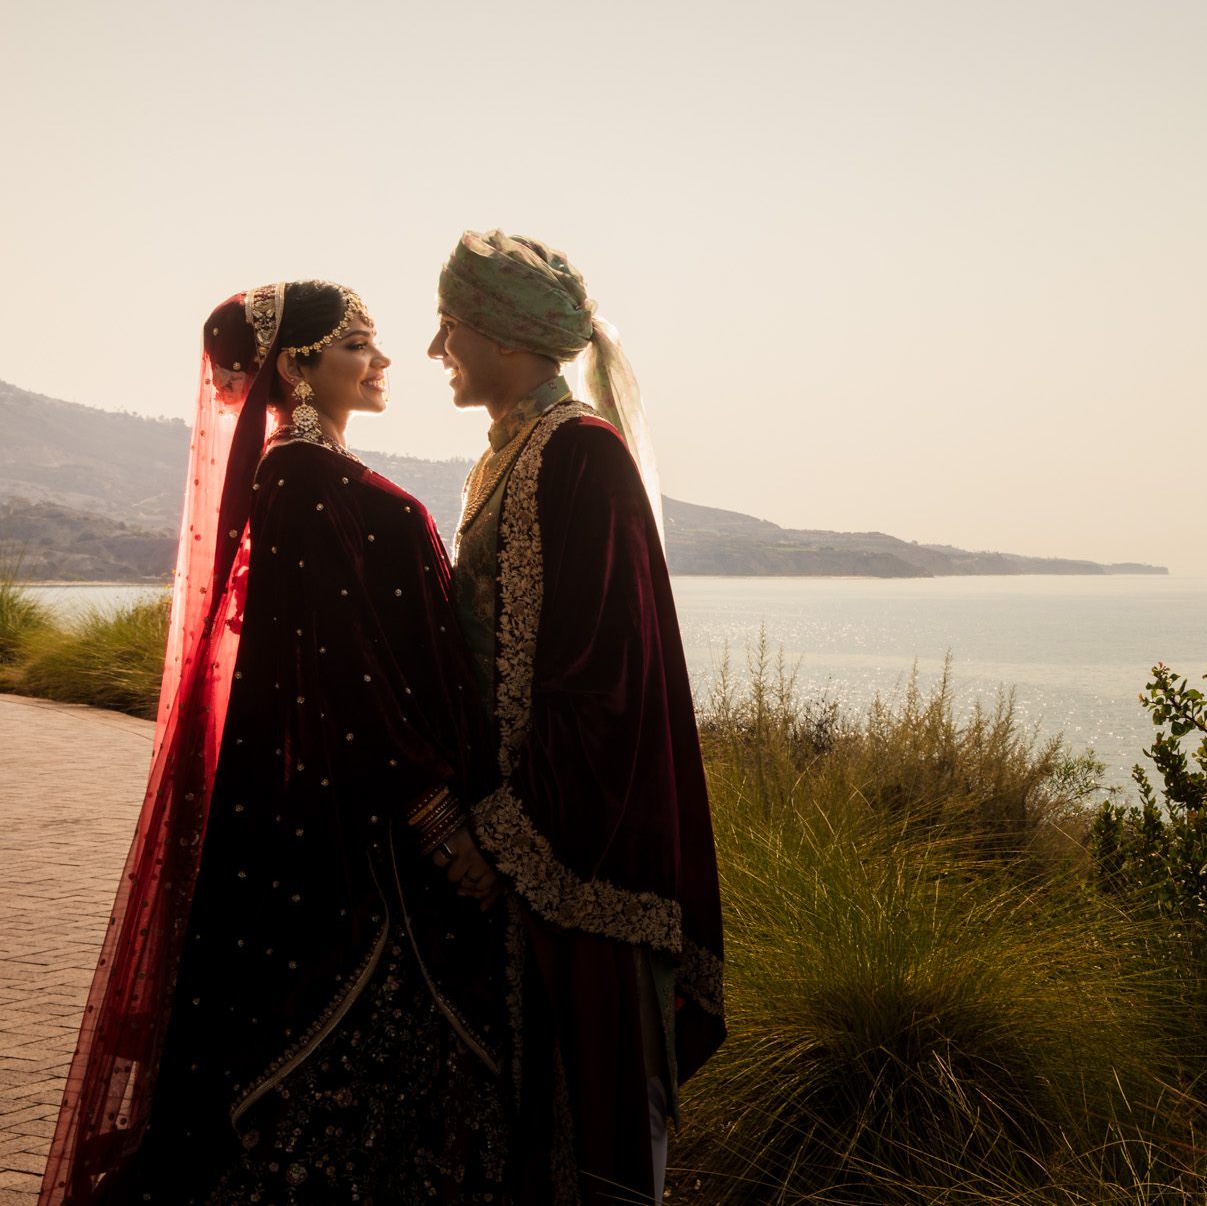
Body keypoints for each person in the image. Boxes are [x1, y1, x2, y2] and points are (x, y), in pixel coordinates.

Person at [40, 282, 510, 1206]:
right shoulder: (299, 479)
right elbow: (347, 668)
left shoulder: (319, 471)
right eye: (357, 345)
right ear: (297, 365)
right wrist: (434, 815)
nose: (380, 362)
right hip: (358, 845)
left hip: (372, 822)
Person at [428, 230, 725, 1205]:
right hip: (524, 837)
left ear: (506, 334)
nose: (438, 350)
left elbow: (599, 681)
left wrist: (498, 839)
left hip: (576, 848)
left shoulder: (580, 455)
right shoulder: (512, 453)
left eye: (452, 327)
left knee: (587, 1137)